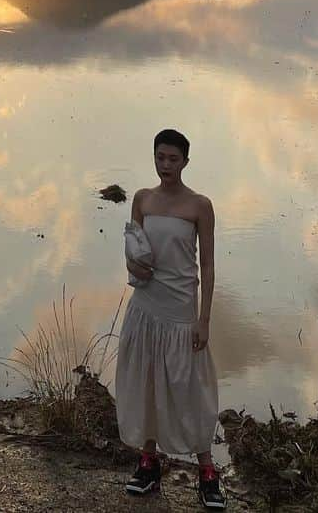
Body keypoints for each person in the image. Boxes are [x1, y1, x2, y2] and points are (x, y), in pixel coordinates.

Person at [115, 128, 225, 508]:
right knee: (146, 384)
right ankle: (148, 465)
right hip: (145, 309)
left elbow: (208, 267)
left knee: (190, 390)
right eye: (160, 158)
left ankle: (207, 472)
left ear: (186, 162)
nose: (166, 166)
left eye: (173, 159)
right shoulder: (142, 200)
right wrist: (133, 265)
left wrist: (204, 319)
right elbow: (134, 250)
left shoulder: (200, 206)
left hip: (181, 313)